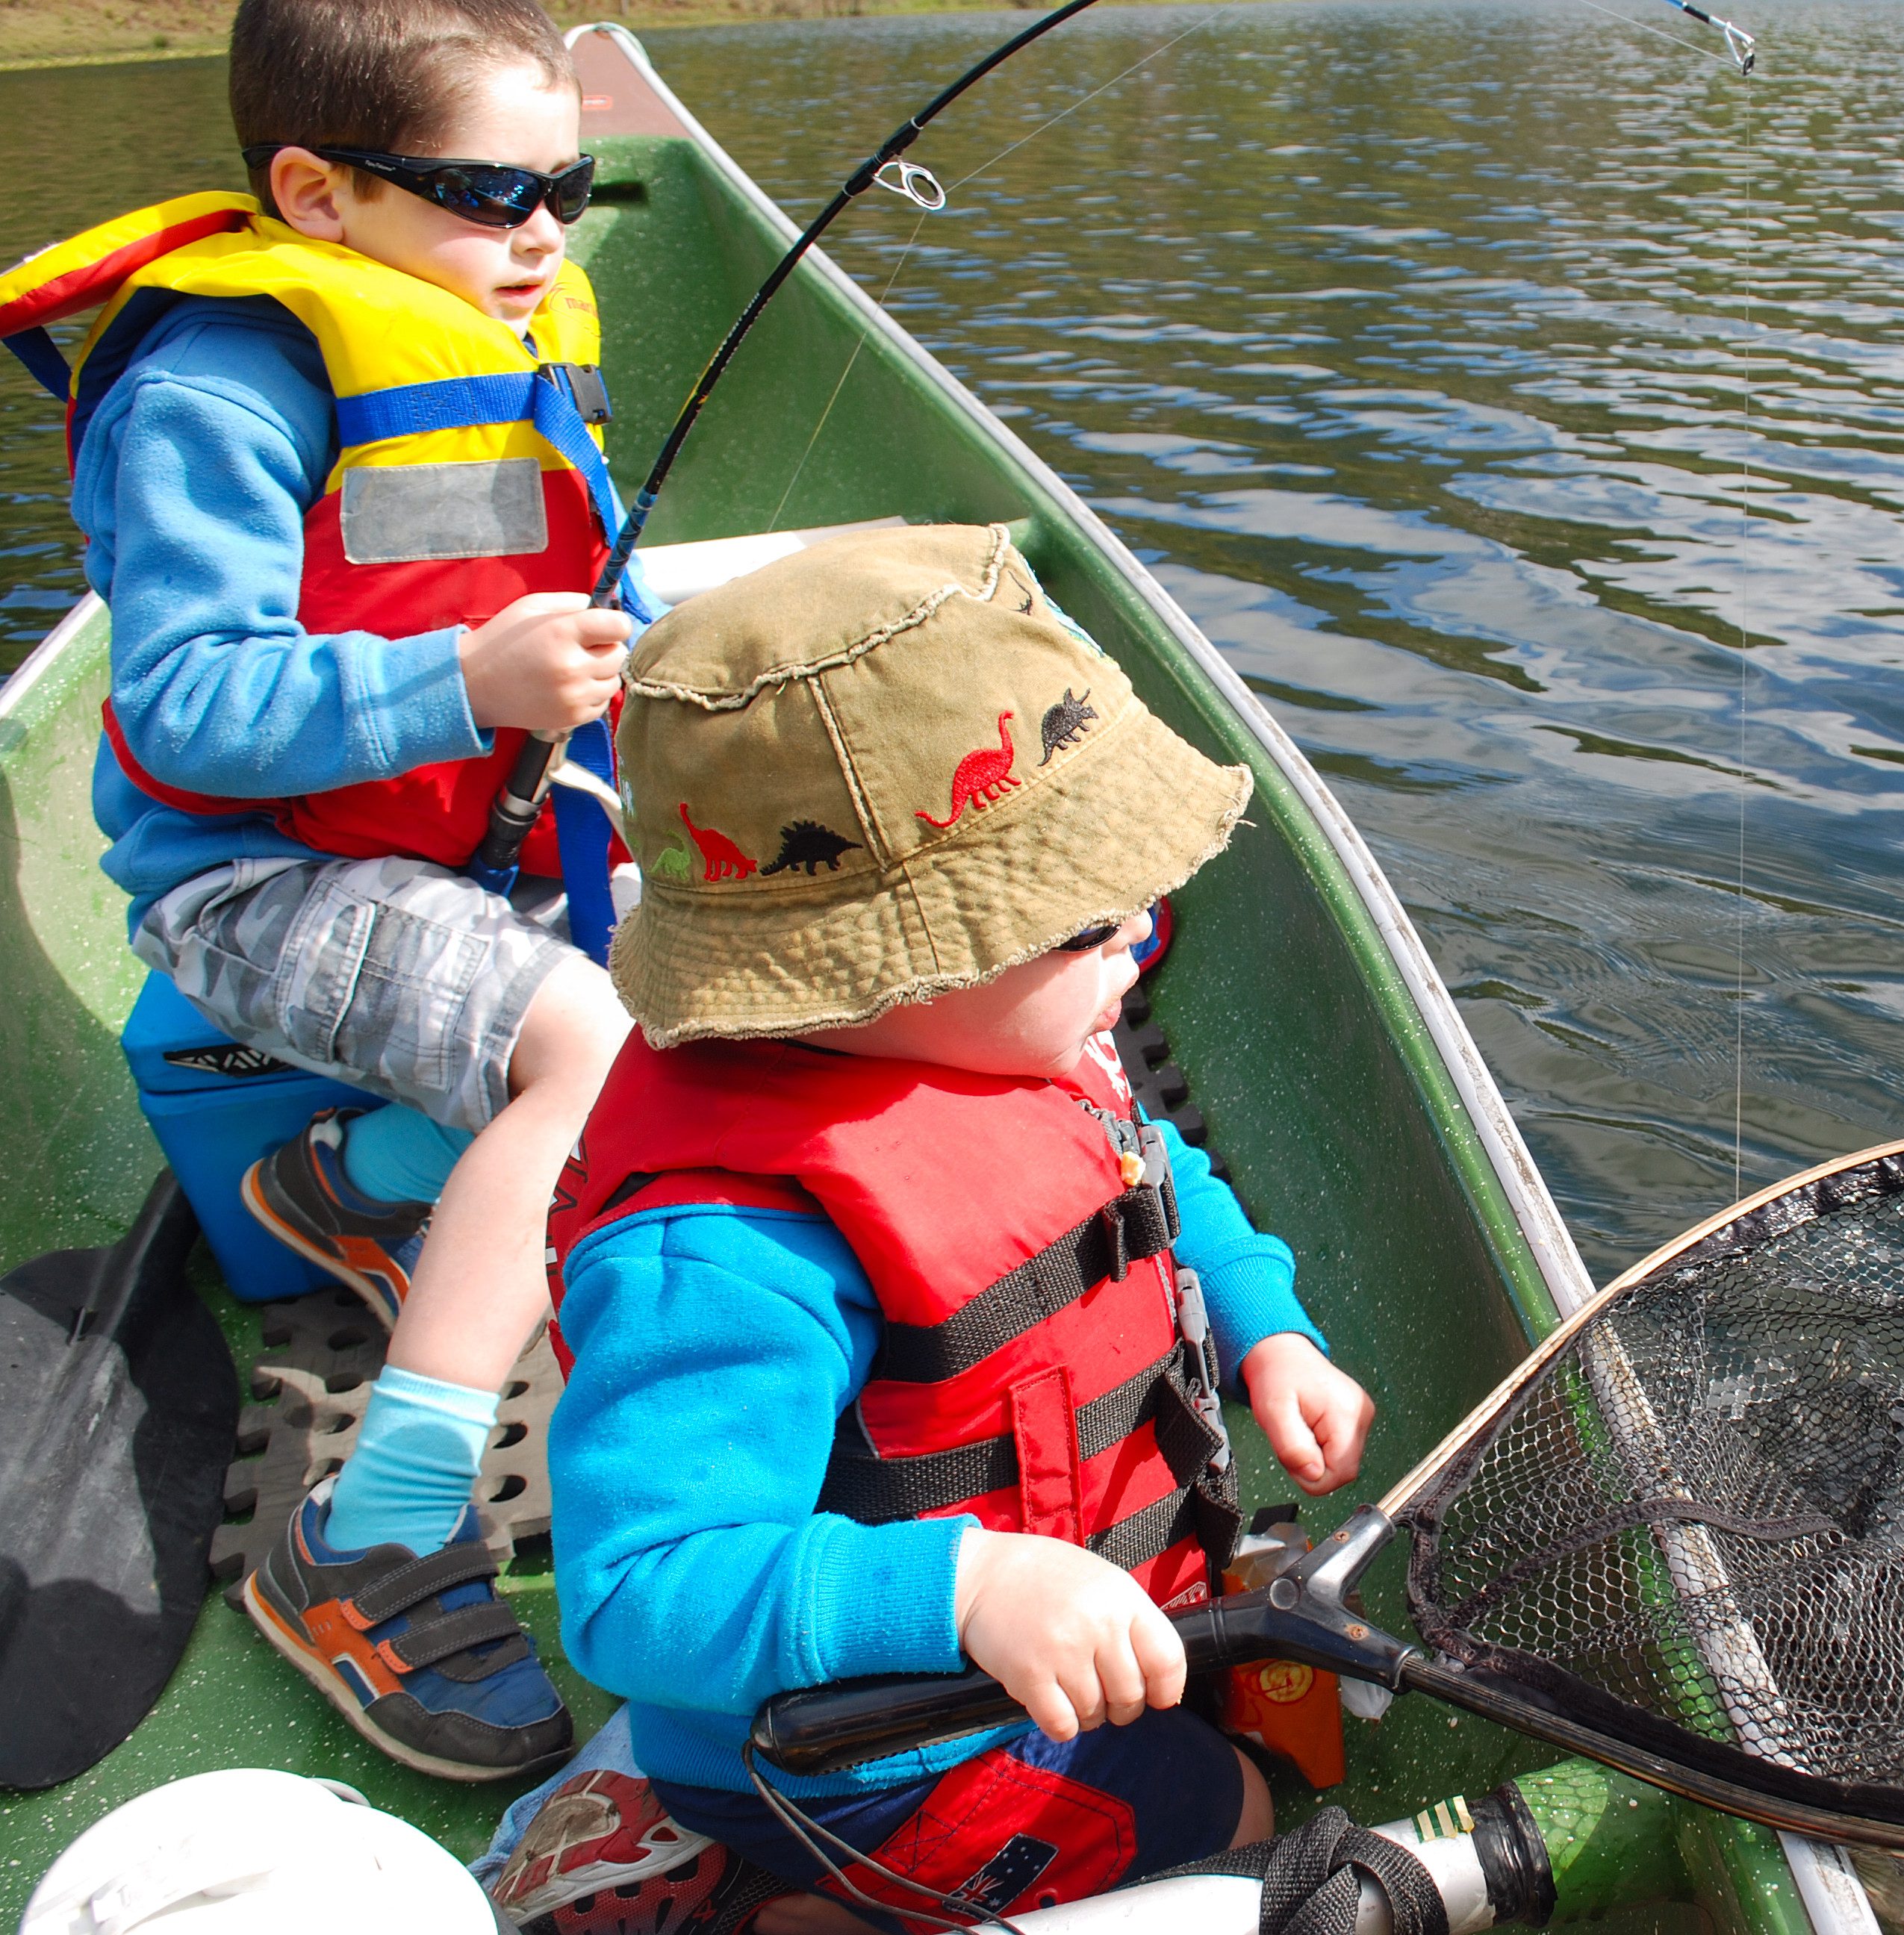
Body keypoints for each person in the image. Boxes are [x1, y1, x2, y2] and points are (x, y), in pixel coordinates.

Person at [544, 521, 1375, 1935]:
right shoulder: (726, 1245)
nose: (1138, 938)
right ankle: (741, 1901)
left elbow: (1145, 1166)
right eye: (1088, 915)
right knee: (1234, 1821)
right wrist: (967, 1582)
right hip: (860, 1754)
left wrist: (1267, 1329)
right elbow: (633, 1592)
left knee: (1231, 1755)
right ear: (879, 966)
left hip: (1046, 1631)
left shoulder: (1015, 1044)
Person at [0, 0, 641, 1778]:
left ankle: (356, 1178)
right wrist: (464, 691)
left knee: (739, 974)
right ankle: (366, 1534)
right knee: (585, 1050)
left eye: (571, 186)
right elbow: (184, 702)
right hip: (257, 884)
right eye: (487, 190)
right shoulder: (212, 390)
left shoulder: (498, 322)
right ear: (315, 189)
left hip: (470, 844)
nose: (542, 231)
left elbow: (584, 588)